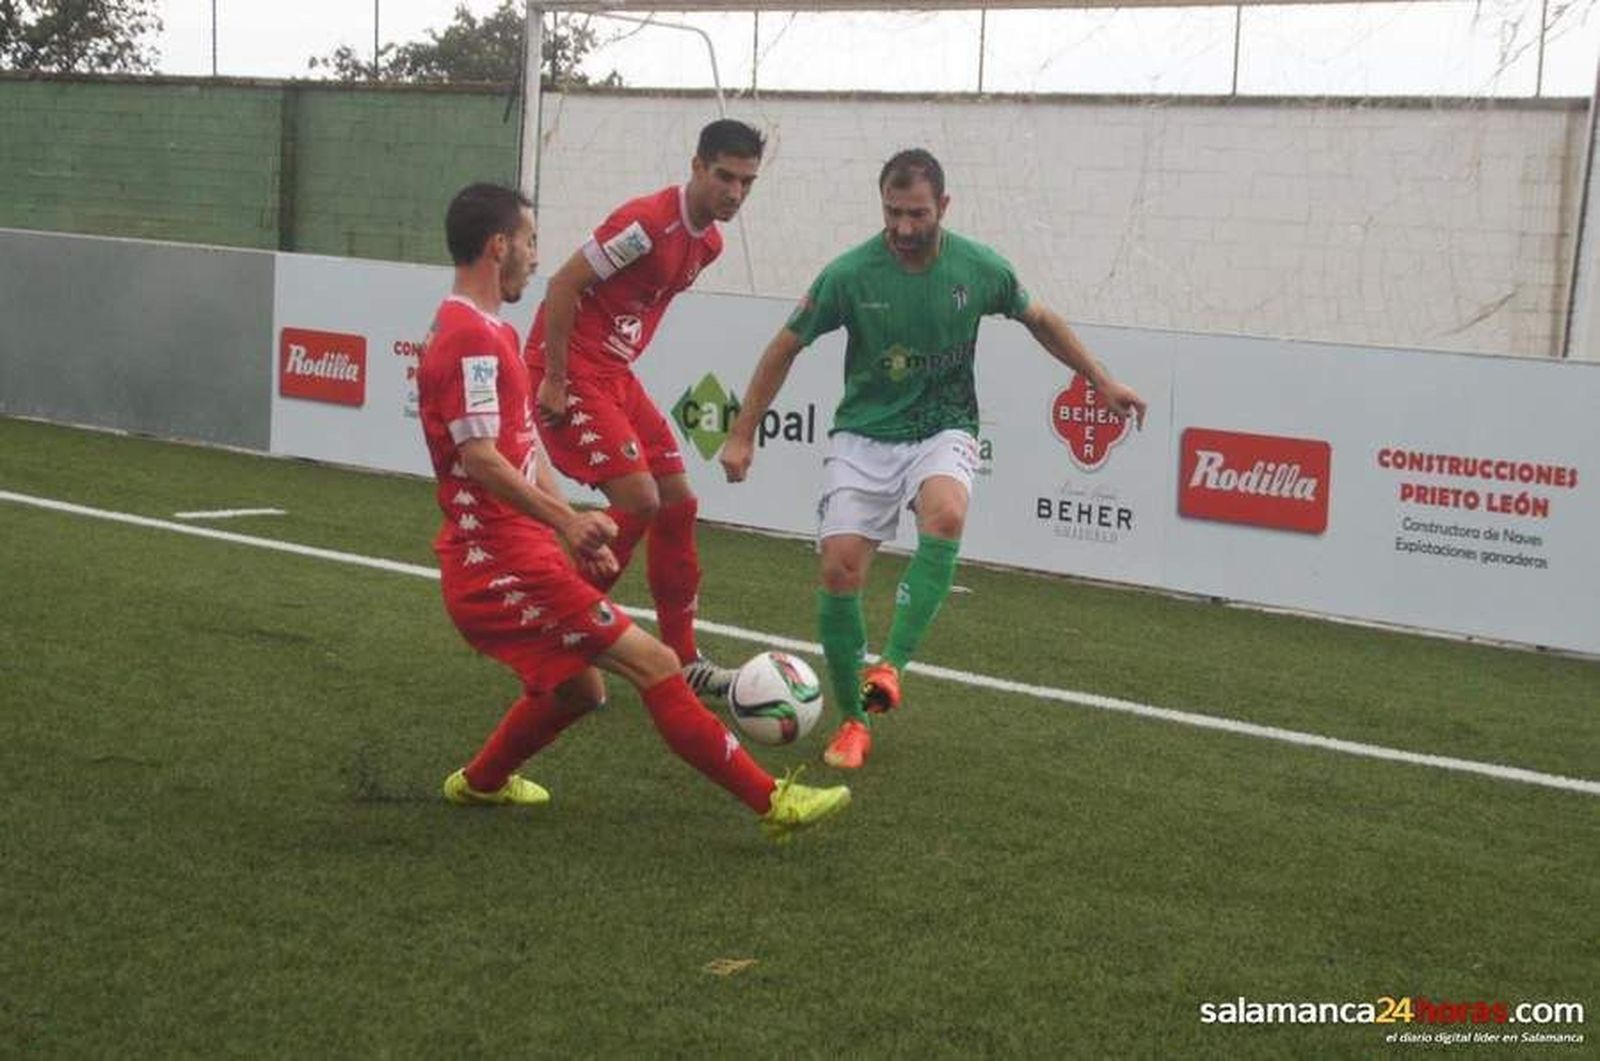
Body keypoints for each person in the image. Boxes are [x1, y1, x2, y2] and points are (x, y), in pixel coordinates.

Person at [418, 182, 849, 843]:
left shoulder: (491, 331)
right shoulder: (470, 338)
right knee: (655, 663)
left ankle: (479, 782)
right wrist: (565, 523)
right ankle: (774, 803)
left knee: (581, 692)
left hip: (521, 554)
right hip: (500, 566)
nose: (536, 256)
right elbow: (479, 457)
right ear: (498, 246)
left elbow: (524, 452)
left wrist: (574, 526)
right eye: (530, 242)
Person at [720, 149, 1147, 770]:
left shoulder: (980, 268)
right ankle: (853, 722)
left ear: (943, 206)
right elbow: (785, 346)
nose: (903, 228)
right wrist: (742, 431)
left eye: (917, 214)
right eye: (892, 213)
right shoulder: (850, 274)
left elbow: (1042, 321)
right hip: (865, 432)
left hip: (942, 427)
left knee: (945, 516)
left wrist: (1101, 381)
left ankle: (889, 666)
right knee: (840, 572)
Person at [523, 118, 766, 701]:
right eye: (724, 176)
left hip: (612, 375)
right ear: (697, 167)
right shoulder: (647, 225)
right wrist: (555, 379)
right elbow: (563, 285)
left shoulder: (709, 244)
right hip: (572, 369)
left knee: (679, 503)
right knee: (640, 499)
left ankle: (682, 658)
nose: (734, 193)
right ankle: (568, 631)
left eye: (747, 182)